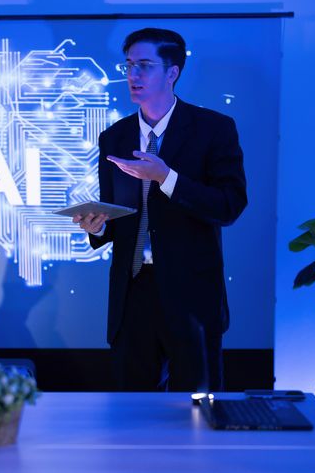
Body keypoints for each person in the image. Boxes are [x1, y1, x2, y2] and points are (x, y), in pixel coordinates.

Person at [73, 28, 247, 392]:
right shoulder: (115, 136)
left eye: (145, 66)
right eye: (129, 66)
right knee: (131, 415)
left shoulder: (213, 129)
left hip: (192, 295)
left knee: (197, 411)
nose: (133, 76)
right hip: (133, 291)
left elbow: (228, 206)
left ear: (172, 72)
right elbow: (120, 217)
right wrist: (98, 227)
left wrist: (166, 177)